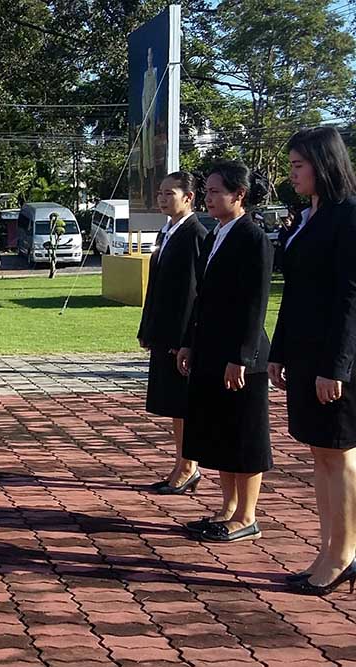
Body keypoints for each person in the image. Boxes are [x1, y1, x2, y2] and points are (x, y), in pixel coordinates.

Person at [269, 127, 356, 596]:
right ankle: (328, 549)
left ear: (324, 164)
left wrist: (336, 367)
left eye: (298, 165)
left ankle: (344, 555)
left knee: (339, 455)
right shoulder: (308, 217)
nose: (292, 174)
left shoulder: (349, 216)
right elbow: (294, 294)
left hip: (334, 361)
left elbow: (350, 298)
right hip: (303, 355)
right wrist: (279, 351)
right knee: (320, 455)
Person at [177, 161, 273, 543]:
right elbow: (200, 299)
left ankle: (247, 516)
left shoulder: (253, 238)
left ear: (239, 195)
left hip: (241, 359)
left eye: (217, 191)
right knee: (220, 434)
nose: (209, 197)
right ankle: (228, 508)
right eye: (207, 191)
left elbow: (255, 303)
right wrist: (189, 341)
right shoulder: (215, 235)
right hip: (210, 351)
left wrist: (242, 357)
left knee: (244, 437)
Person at [138, 171, 208, 495]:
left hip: (181, 339)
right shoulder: (166, 232)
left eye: (170, 193)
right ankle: (181, 462)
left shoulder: (195, 235)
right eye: (160, 193)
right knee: (172, 405)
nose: (162, 199)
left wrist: (185, 341)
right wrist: (147, 327)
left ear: (188, 197)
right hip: (163, 333)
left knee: (183, 405)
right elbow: (156, 286)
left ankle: (189, 465)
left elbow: (194, 294)